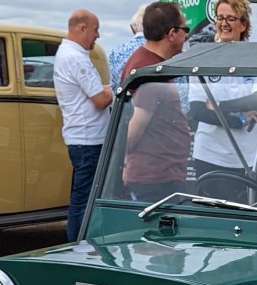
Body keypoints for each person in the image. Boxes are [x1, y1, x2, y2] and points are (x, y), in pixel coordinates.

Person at [186, 0, 257, 201]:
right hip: (210, 156)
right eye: (220, 18)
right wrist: (238, 120)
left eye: (231, 18)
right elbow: (198, 110)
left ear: (243, 24)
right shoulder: (202, 57)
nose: (224, 23)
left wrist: (219, 107)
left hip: (248, 157)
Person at [121, 2, 191, 202]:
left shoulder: (146, 64)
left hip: (157, 176)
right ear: (171, 34)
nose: (186, 36)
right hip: (154, 181)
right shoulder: (149, 72)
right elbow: (130, 134)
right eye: (184, 30)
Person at [54, 9, 114, 242]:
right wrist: (114, 89)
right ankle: (77, 244)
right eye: (95, 29)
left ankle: (78, 242)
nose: (97, 35)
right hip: (89, 139)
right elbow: (100, 99)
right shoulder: (76, 57)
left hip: (80, 137)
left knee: (81, 197)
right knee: (84, 199)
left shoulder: (67, 53)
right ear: (82, 29)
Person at [107, 5, 147, 85]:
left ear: (132, 28)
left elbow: (113, 85)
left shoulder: (115, 52)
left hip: (124, 96)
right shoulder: (161, 49)